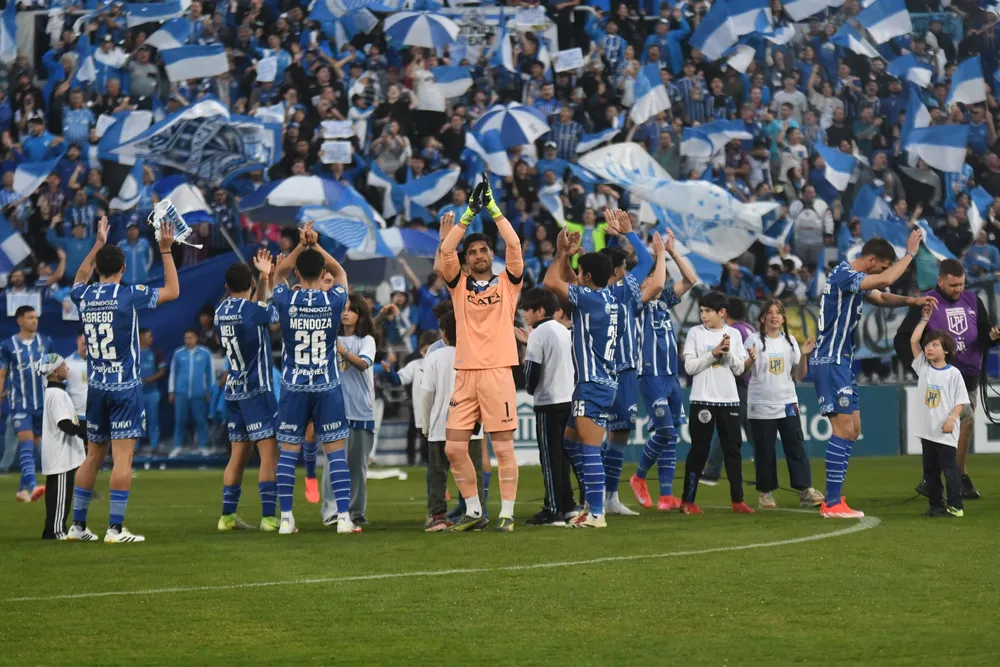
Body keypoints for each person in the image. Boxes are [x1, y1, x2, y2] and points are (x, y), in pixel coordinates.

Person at [68, 217, 180, 543]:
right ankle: (115, 528)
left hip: (97, 385)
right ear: (124, 267)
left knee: (93, 455)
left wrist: (98, 243)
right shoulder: (128, 295)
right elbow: (173, 290)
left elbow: (77, 277)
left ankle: (77, 526)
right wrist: (165, 250)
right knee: (122, 457)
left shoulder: (85, 296)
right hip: (125, 386)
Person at [811, 232, 934, 519]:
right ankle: (831, 503)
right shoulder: (845, 274)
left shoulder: (852, 278)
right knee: (843, 429)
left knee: (852, 428)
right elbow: (883, 281)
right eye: (881, 266)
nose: (881, 271)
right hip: (830, 361)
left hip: (841, 361)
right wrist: (910, 254)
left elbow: (880, 296)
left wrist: (912, 301)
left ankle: (833, 495)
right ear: (870, 260)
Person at [437, 175, 523, 533]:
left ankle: (507, 513)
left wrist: (493, 209)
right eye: (471, 252)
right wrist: (468, 214)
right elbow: (445, 252)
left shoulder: (508, 283)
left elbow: (515, 244)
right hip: (466, 374)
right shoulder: (458, 285)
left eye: (483, 250)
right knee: (454, 449)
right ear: (467, 260)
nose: (478, 255)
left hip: (498, 373)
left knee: (502, 449)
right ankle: (474, 511)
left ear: (491, 255)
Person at [271, 222, 358, 535]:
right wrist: (317, 246)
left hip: (294, 384)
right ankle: (344, 517)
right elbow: (343, 274)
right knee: (335, 453)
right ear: (322, 273)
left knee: (288, 453)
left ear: (297, 274)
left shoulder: (285, 298)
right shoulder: (333, 299)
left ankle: (285, 518)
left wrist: (299, 245)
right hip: (327, 385)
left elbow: (278, 274)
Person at [894, 259, 1000, 500]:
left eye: (961, 284)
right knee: (950, 424)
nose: (958, 289)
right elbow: (902, 338)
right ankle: (948, 476)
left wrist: (993, 337)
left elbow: (982, 335)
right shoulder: (927, 302)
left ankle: (951, 476)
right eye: (953, 285)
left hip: (968, 376)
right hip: (937, 379)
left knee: (963, 424)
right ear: (940, 281)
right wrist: (919, 368)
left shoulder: (973, 300)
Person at [544, 228, 618, 528]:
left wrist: (562, 253)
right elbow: (573, 284)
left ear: (587, 277)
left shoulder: (590, 299)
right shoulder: (605, 297)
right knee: (571, 443)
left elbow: (551, 283)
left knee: (588, 448)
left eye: (580, 272)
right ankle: (591, 505)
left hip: (593, 383)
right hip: (597, 382)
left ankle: (597, 513)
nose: (577, 274)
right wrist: (573, 258)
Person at [629, 229, 698, 512]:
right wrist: (658, 254)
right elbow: (655, 286)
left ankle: (666, 497)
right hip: (650, 376)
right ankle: (639, 477)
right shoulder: (636, 302)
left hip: (671, 376)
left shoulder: (662, 301)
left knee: (671, 435)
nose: (652, 279)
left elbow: (691, 280)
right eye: (646, 276)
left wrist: (671, 253)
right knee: (666, 431)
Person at [214, 251, 281, 532]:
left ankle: (227, 517)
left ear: (227, 287)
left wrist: (263, 278)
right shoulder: (255, 311)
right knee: (269, 454)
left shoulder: (220, 312)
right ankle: (268, 518)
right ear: (251, 285)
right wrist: (267, 276)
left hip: (233, 390)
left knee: (238, 455)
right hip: (257, 388)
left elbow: (257, 309)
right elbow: (269, 314)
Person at [598, 209, 658, 516]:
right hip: (620, 369)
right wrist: (628, 233)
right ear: (619, 270)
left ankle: (604, 497)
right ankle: (604, 496)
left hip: (599, 369)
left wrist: (612, 236)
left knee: (609, 432)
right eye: (624, 266)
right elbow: (648, 261)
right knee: (615, 433)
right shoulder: (621, 290)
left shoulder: (593, 290)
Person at [745, 299, 824, 509]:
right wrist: (749, 360)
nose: (774, 316)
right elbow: (743, 371)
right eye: (769, 312)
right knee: (764, 450)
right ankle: (765, 493)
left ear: (783, 318)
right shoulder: (753, 340)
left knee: (796, 445)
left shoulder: (790, 341)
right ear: (762, 318)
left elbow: (799, 374)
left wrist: (805, 356)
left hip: (788, 401)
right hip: (760, 403)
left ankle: (805, 489)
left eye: (778, 312)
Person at [680, 291, 754, 515]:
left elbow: (739, 369)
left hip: (729, 400)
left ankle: (738, 501)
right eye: (701, 311)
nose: (703, 315)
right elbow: (690, 367)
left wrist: (728, 352)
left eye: (708, 311)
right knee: (699, 451)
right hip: (702, 399)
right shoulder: (695, 333)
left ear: (721, 312)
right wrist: (713, 353)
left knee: (733, 451)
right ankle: (688, 501)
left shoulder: (734, 334)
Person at [420, 310, 487, 532]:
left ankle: (438, 516)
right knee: (472, 470)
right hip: (471, 425)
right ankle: (476, 513)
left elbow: (427, 394)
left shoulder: (435, 357)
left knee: (439, 472)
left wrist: (425, 424)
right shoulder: (476, 355)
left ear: (444, 334)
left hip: (441, 424)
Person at [519, 287, 575, 526]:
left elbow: (532, 371)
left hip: (548, 402)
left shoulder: (538, 333)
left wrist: (530, 389)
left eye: (527, 309)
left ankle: (553, 509)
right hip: (567, 398)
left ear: (539, 310)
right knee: (562, 456)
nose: (524, 314)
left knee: (549, 457)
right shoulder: (563, 330)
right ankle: (568, 504)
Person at [908, 305, 970, 518]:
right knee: (930, 471)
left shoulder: (953, 374)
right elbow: (913, 341)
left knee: (950, 470)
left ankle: (956, 506)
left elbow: (961, 401)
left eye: (935, 345)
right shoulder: (923, 368)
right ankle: (936, 506)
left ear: (945, 350)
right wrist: (924, 319)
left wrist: (952, 419)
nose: (929, 348)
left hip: (945, 430)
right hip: (927, 431)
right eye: (929, 345)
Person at [332, 294, 378, 527]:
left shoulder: (366, 340)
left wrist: (342, 351)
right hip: (336, 411)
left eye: (352, 309)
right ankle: (333, 512)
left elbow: (363, 364)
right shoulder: (332, 338)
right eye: (344, 308)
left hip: (361, 411)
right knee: (335, 464)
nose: (346, 312)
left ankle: (357, 511)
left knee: (358, 467)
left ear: (360, 315)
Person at [701, 297, 756, 485]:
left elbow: (733, 361)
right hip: (749, 386)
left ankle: (712, 472)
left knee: (728, 429)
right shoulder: (748, 328)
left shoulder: (735, 331)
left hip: (739, 384)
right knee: (751, 433)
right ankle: (764, 472)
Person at [0, 305, 51, 503]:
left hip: (42, 404)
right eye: (30, 317)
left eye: (35, 317)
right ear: (19, 320)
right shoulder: (8, 345)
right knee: (27, 444)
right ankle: (32, 485)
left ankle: (22, 490)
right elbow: (2, 374)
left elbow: (50, 369)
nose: (34, 321)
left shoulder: (46, 342)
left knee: (37, 447)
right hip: (20, 403)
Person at [38, 354, 86, 540]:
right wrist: (84, 431)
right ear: (55, 371)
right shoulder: (57, 394)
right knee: (60, 495)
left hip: (61, 454)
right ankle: (55, 530)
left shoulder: (55, 392)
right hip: (60, 455)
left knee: (59, 494)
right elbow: (64, 424)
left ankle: (54, 528)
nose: (68, 368)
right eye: (64, 365)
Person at [168, 330, 214, 457]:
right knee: (179, 420)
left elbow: (210, 373)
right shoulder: (178, 353)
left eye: (190, 337)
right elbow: (173, 373)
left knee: (201, 420)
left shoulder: (205, 353)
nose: (188, 340)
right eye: (186, 338)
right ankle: (177, 446)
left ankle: (203, 446)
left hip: (199, 393)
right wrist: (171, 391)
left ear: (196, 338)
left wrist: (210, 391)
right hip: (181, 393)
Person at [138, 329, 166, 451]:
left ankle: (154, 446)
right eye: (148, 336)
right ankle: (134, 447)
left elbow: (162, 372)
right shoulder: (132, 353)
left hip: (152, 392)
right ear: (140, 337)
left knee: (153, 420)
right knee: (137, 422)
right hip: (136, 394)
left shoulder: (156, 352)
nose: (151, 339)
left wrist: (150, 379)